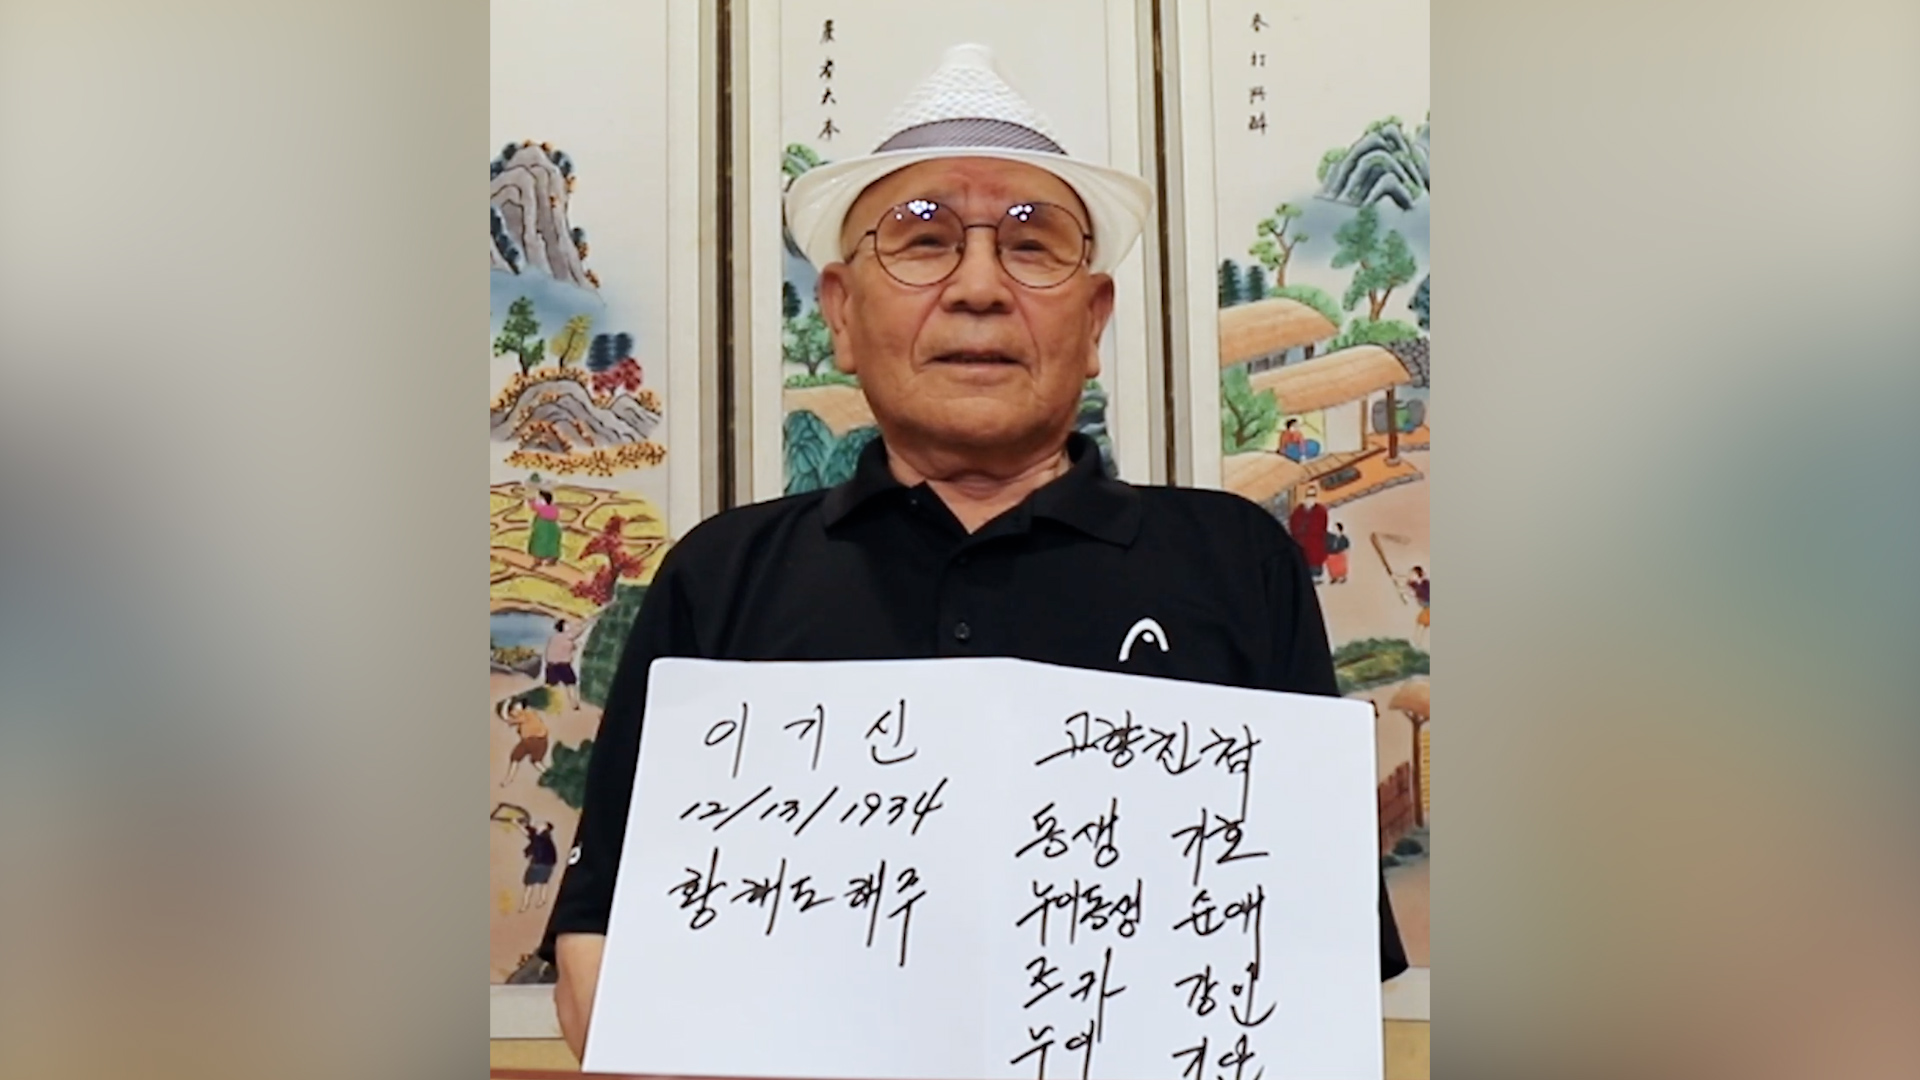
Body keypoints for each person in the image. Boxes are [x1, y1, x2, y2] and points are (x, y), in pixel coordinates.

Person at [538, 43, 1406, 1060]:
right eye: (921, 238)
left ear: (1093, 323)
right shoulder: (723, 575)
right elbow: (601, 952)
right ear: (842, 314)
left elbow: (1317, 961)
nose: (980, 287)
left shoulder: (1235, 562)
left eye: (1034, 245)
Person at [497, 694, 550, 787]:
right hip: (543, 741)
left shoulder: (524, 714)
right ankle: (550, 774)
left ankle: (509, 779)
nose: (514, 710)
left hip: (531, 741)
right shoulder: (531, 713)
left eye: (515, 707)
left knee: (515, 757)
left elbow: (505, 717)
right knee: (536, 761)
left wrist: (506, 703)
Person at [1288, 483, 1329, 582]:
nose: (1311, 498)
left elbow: (1323, 527)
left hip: (1315, 544)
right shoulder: (1298, 512)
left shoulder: (1321, 511)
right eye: (1309, 495)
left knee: (1315, 563)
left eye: (1313, 495)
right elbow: (1293, 526)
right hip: (1303, 544)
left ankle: (1316, 577)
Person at [543, 618, 586, 710]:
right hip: (563, 665)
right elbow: (579, 631)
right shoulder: (567, 636)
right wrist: (583, 622)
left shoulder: (553, 637)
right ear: (563, 627)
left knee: (551, 686)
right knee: (571, 684)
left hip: (551, 665)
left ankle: (546, 704)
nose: (569, 626)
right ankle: (574, 704)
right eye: (567, 624)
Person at [520, 821, 560, 912]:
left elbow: (528, 834)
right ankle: (542, 899)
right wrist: (523, 825)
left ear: (544, 828)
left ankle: (525, 905)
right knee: (544, 882)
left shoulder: (539, 839)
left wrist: (517, 825)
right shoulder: (545, 837)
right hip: (549, 864)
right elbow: (531, 831)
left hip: (538, 865)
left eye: (541, 824)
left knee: (529, 884)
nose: (538, 823)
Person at [527, 488, 563, 567]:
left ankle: (541, 560)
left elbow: (535, 507)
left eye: (540, 498)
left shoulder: (544, 508)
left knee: (541, 544)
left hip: (545, 528)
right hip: (548, 528)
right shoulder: (552, 508)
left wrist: (531, 501)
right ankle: (544, 560)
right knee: (546, 544)